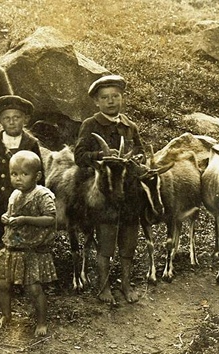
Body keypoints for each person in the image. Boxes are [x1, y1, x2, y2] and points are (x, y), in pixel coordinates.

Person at [73, 75, 145, 305]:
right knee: (106, 240)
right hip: (104, 194)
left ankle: (125, 283)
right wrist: (101, 156)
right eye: (105, 98)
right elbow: (79, 156)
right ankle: (103, 286)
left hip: (129, 193)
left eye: (115, 96)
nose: (111, 102)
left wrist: (139, 161)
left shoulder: (129, 126)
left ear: (122, 98)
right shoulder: (91, 125)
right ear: (97, 101)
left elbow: (141, 152)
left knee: (129, 240)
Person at [0, 150, 57, 337]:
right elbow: (12, 215)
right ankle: (6, 316)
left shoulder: (43, 195)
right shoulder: (14, 194)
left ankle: (42, 322)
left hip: (31, 251)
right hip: (12, 249)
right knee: (2, 284)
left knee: (33, 288)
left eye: (24, 174)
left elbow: (50, 219)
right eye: (14, 174)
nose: (18, 179)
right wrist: (7, 217)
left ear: (37, 176)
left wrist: (26, 219)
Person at [0, 95, 45, 245]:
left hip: (26, 200)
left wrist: (40, 198)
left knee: (24, 236)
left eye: (16, 117)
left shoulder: (31, 143)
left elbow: (40, 174)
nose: (11, 122)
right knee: (2, 236)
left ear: (26, 120)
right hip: (1, 200)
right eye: (6, 118)